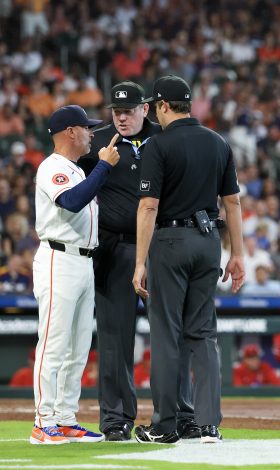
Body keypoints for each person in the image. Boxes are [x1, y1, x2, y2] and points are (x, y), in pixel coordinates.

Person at [79, 81, 198, 442]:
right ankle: (116, 420)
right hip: (113, 249)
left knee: (169, 334)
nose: (122, 118)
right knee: (115, 338)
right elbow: (65, 181)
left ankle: (178, 415)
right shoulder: (98, 142)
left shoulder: (165, 138)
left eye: (128, 111)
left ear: (146, 109)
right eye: (116, 112)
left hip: (160, 246)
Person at [132, 76, 245, 444]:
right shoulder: (218, 142)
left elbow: (149, 206)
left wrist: (139, 262)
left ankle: (165, 426)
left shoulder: (158, 144)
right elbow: (233, 203)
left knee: (166, 333)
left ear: (163, 106)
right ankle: (208, 424)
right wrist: (238, 254)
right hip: (210, 240)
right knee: (203, 333)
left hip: (170, 240)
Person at [31, 104, 120, 445]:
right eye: (87, 128)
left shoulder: (74, 168)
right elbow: (71, 201)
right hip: (58, 258)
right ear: (71, 131)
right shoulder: (52, 167)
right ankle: (43, 421)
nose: (91, 133)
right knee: (54, 344)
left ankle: (65, 418)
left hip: (83, 262)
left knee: (77, 347)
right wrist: (103, 167)